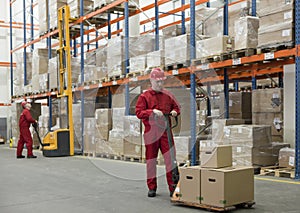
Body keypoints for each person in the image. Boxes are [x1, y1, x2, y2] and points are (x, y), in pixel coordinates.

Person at [135, 67, 181, 198]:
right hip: (151, 134)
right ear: (151, 81)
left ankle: (173, 187)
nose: (160, 84)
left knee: (170, 160)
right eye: (157, 82)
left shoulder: (168, 95)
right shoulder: (144, 97)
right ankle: (152, 187)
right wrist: (152, 111)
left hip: (166, 133)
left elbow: (177, 107)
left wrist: (175, 112)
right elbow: (139, 113)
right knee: (151, 160)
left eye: (162, 82)